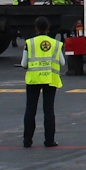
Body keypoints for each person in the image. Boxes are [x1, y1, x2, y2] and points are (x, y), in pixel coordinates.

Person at [20, 17, 66, 148]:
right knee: (48, 110)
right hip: (50, 79)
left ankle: (27, 140)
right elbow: (62, 62)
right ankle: (49, 140)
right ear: (48, 28)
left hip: (34, 79)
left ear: (35, 28)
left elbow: (24, 64)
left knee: (30, 110)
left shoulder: (29, 43)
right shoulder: (55, 43)